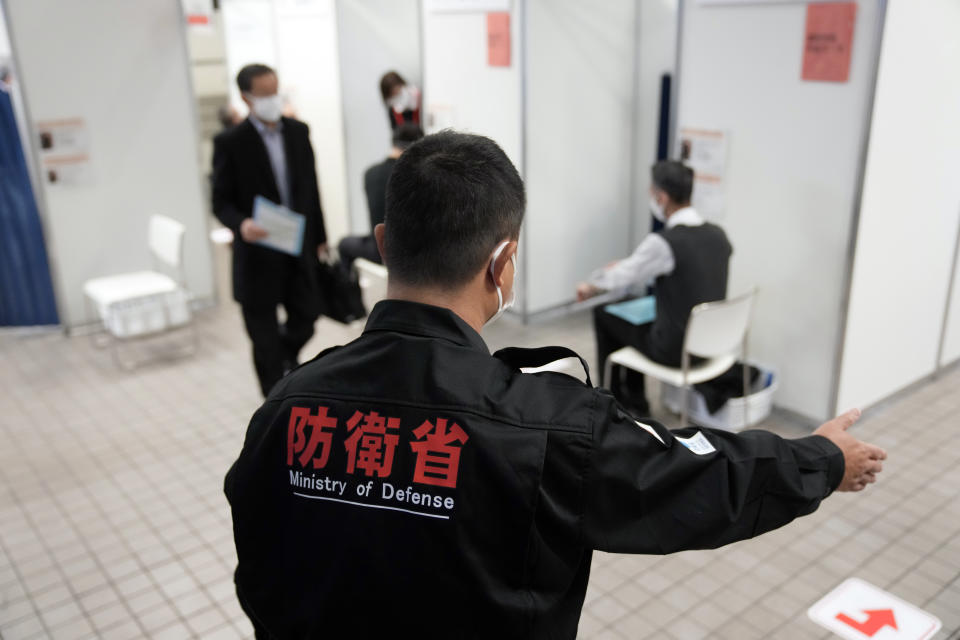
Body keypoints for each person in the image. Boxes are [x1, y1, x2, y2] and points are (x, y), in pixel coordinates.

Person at [225, 131, 886, 639]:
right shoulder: (547, 424)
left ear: (383, 243)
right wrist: (822, 459)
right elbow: (695, 475)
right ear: (503, 263)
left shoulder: (287, 405)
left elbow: (257, 569)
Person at [577, 160, 731, 415]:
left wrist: (590, 285)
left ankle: (613, 404)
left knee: (604, 314)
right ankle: (637, 401)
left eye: (652, 195)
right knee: (637, 317)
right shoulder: (718, 235)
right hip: (710, 346)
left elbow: (624, 275)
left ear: (662, 197)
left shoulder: (664, 242)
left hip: (676, 351)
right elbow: (686, 272)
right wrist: (629, 266)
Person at [212, 63, 327, 397]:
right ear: (247, 99)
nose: (272, 101)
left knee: (306, 316)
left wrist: (320, 238)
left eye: (275, 92)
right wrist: (240, 223)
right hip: (257, 252)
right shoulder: (231, 142)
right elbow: (220, 201)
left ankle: (287, 354)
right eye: (264, 95)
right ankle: (273, 401)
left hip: (297, 246)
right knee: (263, 339)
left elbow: (311, 190)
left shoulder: (298, 131)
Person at [338, 122, 424, 270]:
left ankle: (349, 289)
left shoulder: (370, 173)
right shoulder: (415, 175)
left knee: (343, 244)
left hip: (377, 249)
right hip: (408, 253)